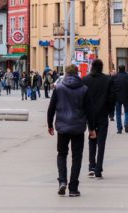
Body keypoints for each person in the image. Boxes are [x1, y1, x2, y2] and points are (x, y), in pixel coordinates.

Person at [47, 64, 96, 197]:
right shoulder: (84, 89)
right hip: (78, 128)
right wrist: (92, 128)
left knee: (62, 154)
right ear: (77, 73)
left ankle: (62, 181)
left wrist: (50, 125)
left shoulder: (59, 88)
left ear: (66, 74)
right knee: (77, 157)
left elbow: (51, 108)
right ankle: (73, 187)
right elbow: (90, 110)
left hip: (62, 127)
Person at [81, 59, 114, 179]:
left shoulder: (85, 80)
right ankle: (98, 169)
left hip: (89, 115)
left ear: (92, 67)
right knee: (101, 142)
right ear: (101, 67)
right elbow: (111, 97)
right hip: (102, 114)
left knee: (91, 139)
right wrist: (111, 112)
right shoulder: (107, 80)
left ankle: (91, 166)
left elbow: (82, 97)